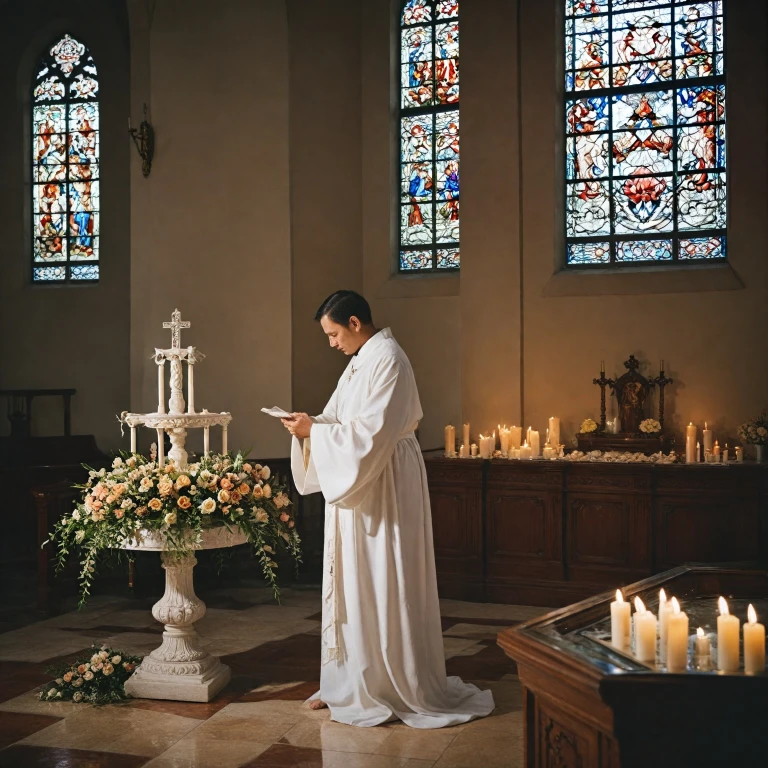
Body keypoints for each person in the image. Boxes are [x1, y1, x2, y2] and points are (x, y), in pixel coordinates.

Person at [281, 291, 494, 729]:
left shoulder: (389, 359)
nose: (332, 343)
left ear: (355, 322)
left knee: (383, 575)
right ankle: (350, 682)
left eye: (334, 334)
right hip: (362, 481)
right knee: (357, 580)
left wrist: (317, 434)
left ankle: (390, 683)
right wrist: (310, 428)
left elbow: (374, 433)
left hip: (386, 481)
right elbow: (340, 420)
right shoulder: (360, 361)